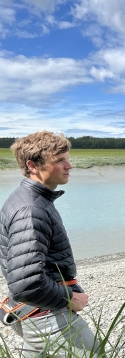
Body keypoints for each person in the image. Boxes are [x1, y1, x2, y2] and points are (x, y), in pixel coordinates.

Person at [0, 131, 100, 357]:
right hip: (48, 317)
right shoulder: (31, 209)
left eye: (67, 158)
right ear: (32, 166)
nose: (69, 165)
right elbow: (26, 284)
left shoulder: (28, 199)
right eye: (59, 160)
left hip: (35, 312)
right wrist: (69, 297)